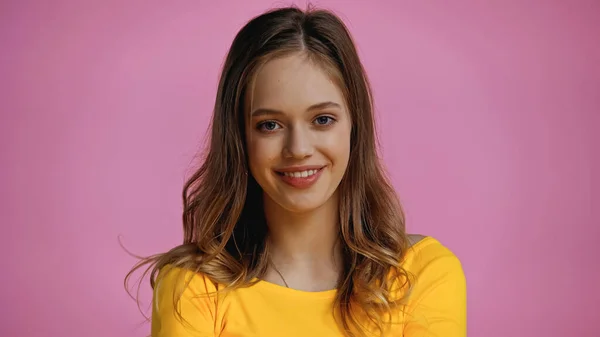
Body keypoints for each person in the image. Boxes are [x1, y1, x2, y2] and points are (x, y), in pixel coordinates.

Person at [126, 5, 466, 337]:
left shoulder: (423, 274)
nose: (299, 149)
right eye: (270, 125)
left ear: (354, 126)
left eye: (322, 120)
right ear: (239, 137)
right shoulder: (193, 288)